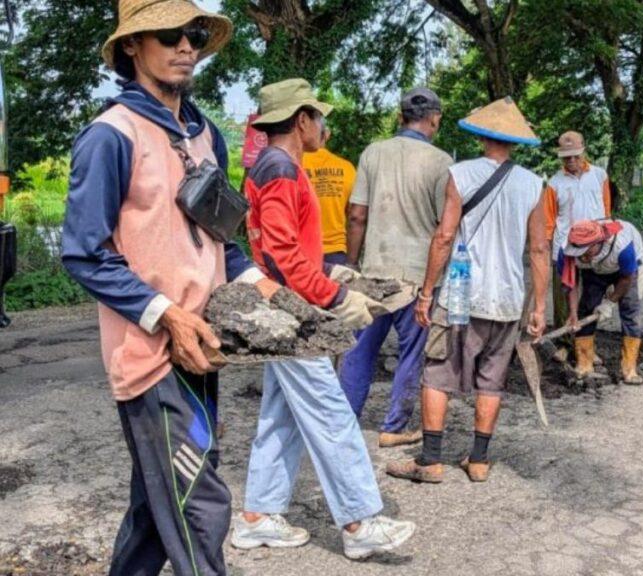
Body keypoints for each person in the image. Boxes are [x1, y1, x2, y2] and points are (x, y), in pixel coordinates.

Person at [61, 2, 279, 573]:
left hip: (201, 348)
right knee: (199, 505)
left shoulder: (205, 134)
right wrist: (167, 315)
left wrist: (262, 283)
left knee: (158, 507)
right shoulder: (111, 136)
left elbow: (221, 240)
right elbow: (84, 253)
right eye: (168, 34)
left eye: (195, 33)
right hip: (151, 356)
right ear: (132, 46)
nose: (186, 45)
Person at [230, 78, 415, 560]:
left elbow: (283, 247)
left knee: (281, 414)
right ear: (301, 121)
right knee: (331, 412)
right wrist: (333, 296)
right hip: (293, 312)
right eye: (319, 116)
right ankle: (359, 522)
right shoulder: (280, 168)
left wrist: (332, 270)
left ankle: (257, 516)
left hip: (289, 304)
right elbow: (282, 254)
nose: (323, 126)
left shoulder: (279, 165)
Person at [386, 97, 548, 484]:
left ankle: (430, 460)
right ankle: (478, 461)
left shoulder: (461, 175)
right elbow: (539, 248)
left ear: (481, 137)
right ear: (515, 142)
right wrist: (539, 306)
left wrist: (426, 292)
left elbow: (443, 236)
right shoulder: (533, 184)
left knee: (438, 373)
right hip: (507, 300)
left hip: (461, 297)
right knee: (492, 379)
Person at [341, 87, 453, 448]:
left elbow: (357, 214)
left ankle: (342, 424)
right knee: (411, 352)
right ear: (434, 118)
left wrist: (352, 263)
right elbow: (444, 227)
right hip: (417, 274)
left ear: (401, 116)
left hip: (374, 270)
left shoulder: (373, 153)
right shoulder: (442, 163)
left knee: (359, 350)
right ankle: (394, 426)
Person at [543, 131, 612, 344]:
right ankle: (564, 344)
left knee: (591, 297)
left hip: (594, 249)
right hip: (565, 248)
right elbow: (548, 221)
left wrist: (607, 239)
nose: (572, 160)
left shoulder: (599, 175)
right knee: (564, 298)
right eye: (567, 157)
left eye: (575, 155)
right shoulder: (555, 183)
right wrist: (546, 251)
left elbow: (607, 210)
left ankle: (585, 344)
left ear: (583, 151)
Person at [559, 219, 643, 384]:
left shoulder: (623, 246)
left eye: (585, 252)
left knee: (630, 311)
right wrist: (573, 313)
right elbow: (571, 283)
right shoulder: (566, 251)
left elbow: (627, 279)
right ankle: (584, 364)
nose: (582, 257)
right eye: (578, 254)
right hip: (594, 271)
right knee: (587, 308)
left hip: (624, 270)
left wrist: (610, 302)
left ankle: (629, 369)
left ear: (598, 243)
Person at [303, 126, 356, 265]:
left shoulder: (293, 165)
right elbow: (354, 216)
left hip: (301, 252)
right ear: (326, 134)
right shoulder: (347, 168)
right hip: (336, 252)